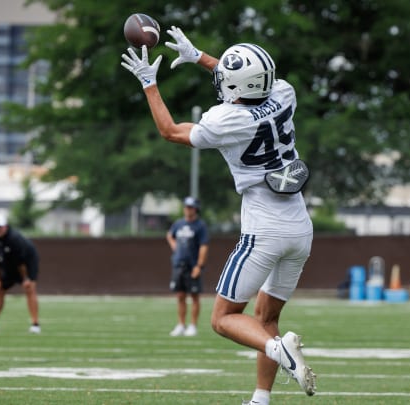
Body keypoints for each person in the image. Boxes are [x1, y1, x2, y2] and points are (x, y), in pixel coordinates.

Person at [121, 27, 316, 402]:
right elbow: (248, 83)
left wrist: (149, 83)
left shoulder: (228, 120)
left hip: (264, 229)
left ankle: (280, 351)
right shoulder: (284, 93)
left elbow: (170, 131)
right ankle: (261, 399)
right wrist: (200, 58)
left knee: (223, 318)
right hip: (299, 228)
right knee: (266, 320)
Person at [0, 213, 41, 334]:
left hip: (28, 262)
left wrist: (26, 279)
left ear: (6, 227)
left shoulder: (14, 239)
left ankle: (35, 324)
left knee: (30, 289)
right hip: (9, 264)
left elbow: (21, 262)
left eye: (0, 227)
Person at [166, 196, 209, 337]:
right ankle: (181, 325)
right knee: (180, 295)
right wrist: (175, 247)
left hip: (192, 265)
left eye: (190, 207)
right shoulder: (178, 224)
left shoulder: (200, 226)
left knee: (194, 296)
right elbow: (169, 235)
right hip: (179, 264)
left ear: (196, 209)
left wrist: (199, 265)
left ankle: (193, 326)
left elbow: (204, 246)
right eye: (186, 207)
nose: (187, 209)